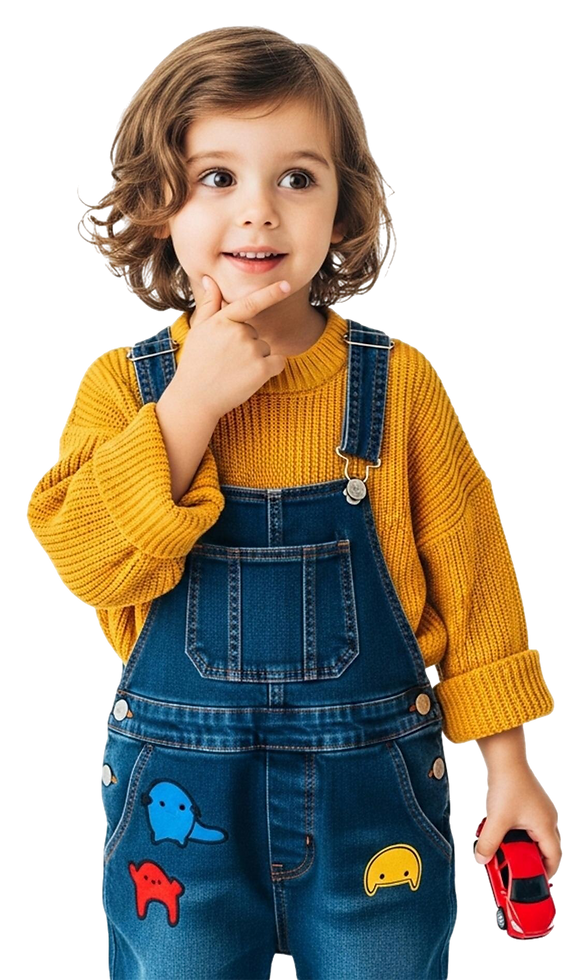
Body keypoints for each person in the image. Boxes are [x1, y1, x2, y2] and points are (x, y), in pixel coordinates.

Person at [24, 24, 562, 980]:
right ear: (156, 208)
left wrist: (510, 766)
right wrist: (192, 404)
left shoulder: (399, 385)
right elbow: (85, 559)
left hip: (376, 790)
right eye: (217, 178)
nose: (259, 214)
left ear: (345, 209)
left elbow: (477, 583)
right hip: (176, 804)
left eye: (297, 178)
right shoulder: (124, 387)